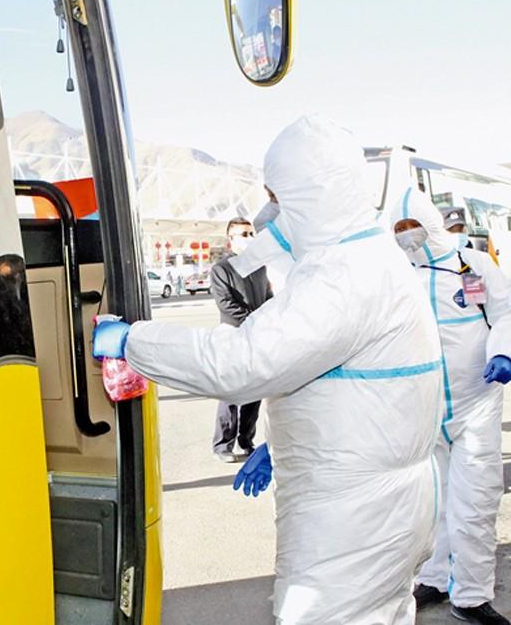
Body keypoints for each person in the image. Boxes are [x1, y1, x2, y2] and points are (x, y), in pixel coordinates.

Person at [93, 115, 442, 624]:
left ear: (312, 194)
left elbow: (244, 362)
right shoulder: (369, 257)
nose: (270, 212)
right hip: (379, 506)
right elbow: (348, 389)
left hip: (353, 520)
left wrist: (133, 340)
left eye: (278, 197)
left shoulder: (342, 275)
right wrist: (277, 447)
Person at [392, 189, 511, 625]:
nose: (408, 235)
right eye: (400, 229)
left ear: (432, 223)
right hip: (423, 409)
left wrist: (503, 351)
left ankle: (472, 595)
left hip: (474, 404)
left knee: (474, 503)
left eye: (414, 226)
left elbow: (506, 312)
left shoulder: (471, 264)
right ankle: (435, 577)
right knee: (431, 504)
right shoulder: (397, 273)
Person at [209, 217, 272, 461]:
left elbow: (268, 297)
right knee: (231, 392)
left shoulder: (259, 267)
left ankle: (246, 440)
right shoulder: (221, 270)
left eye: (251, 233)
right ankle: (223, 445)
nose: (249, 238)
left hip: (257, 338)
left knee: (254, 391)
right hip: (233, 336)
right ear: (231, 239)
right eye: (243, 234)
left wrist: (268, 319)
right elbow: (226, 303)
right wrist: (252, 320)